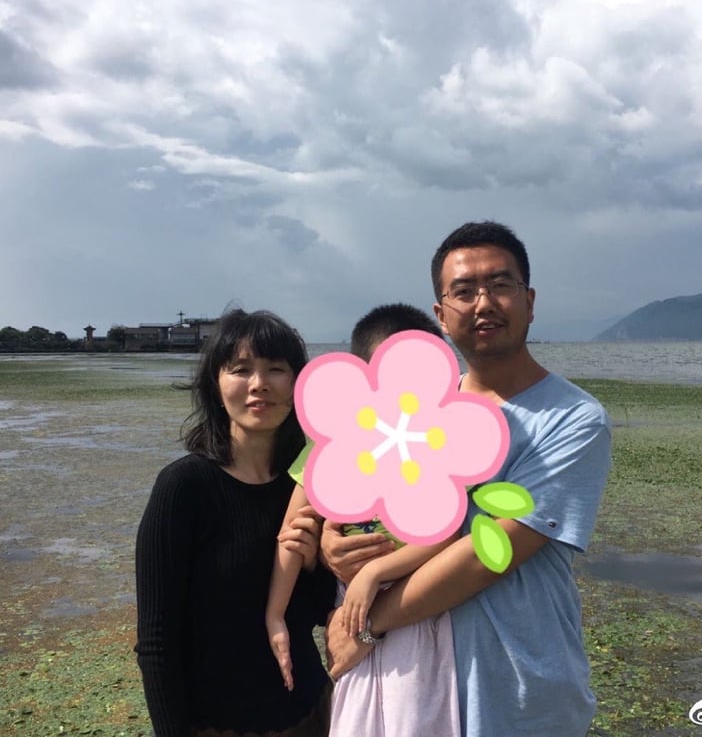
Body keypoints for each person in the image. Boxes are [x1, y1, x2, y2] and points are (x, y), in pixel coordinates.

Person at [322, 222, 612, 737]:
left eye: (500, 285)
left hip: (516, 692)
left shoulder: (573, 419)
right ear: (440, 315)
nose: (484, 303)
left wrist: (365, 624)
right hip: (409, 682)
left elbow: (489, 551)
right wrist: (332, 541)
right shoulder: (414, 410)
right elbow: (359, 496)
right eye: (463, 291)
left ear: (529, 300)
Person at [135, 308, 336, 737]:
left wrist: (315, 562)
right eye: (241, 369)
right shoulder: (183, 488)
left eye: (275, 369)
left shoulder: (312, 484)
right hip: (216, 723)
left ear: (298, 385)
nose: (259, 384)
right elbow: (156, 642)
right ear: (216, 382)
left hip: (310, 714)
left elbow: (319, 614)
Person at [266, 303, 462, 736]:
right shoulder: (331, 445)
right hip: (348, 611)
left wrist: (376, 571)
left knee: (420, 718)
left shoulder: (440, 442)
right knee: (354, 720)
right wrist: (275, 614)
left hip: (419, 606)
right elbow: (291, 533)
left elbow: (449, 533)